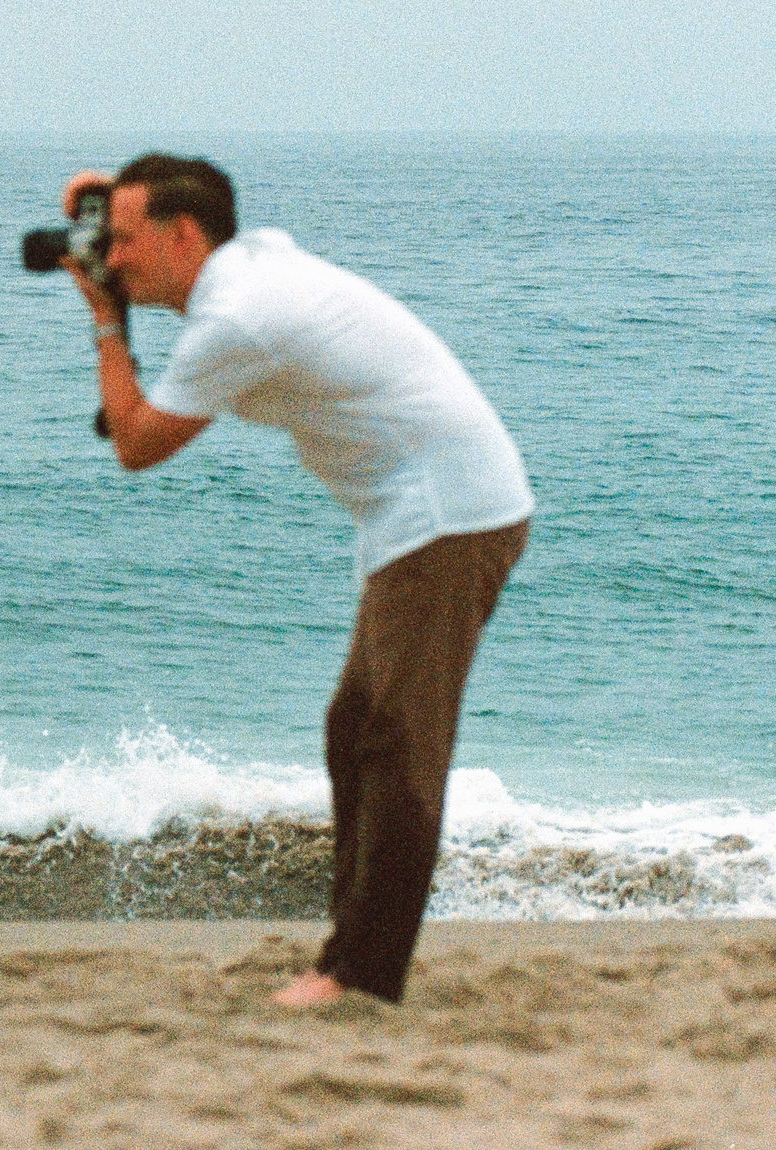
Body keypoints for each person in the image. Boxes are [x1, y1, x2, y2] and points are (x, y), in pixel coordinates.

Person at [57, 154, 532, 1008]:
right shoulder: (246, 268)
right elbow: (193, 201)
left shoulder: (239, 318)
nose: (111, 259)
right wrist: (113, 200)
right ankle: (348, 958)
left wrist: (103, 321)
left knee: (394, 746)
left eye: (123, 241)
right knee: (354, 729)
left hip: (449, 513)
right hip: (420, 512)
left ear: (185, 235)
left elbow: (133, 444)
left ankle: (359, 977)